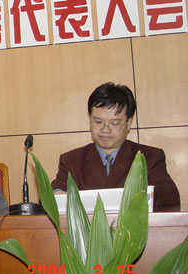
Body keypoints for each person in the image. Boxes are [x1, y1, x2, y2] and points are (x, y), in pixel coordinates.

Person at [51, 82, 180, 206]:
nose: (105, 129)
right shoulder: (72, 160)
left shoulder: (149, 156)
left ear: (128, 123)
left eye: (114, 123)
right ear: (90, 120)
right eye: (98, 122)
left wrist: (139, 196)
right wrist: (57, 194)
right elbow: (53, 192)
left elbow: (170, 194)